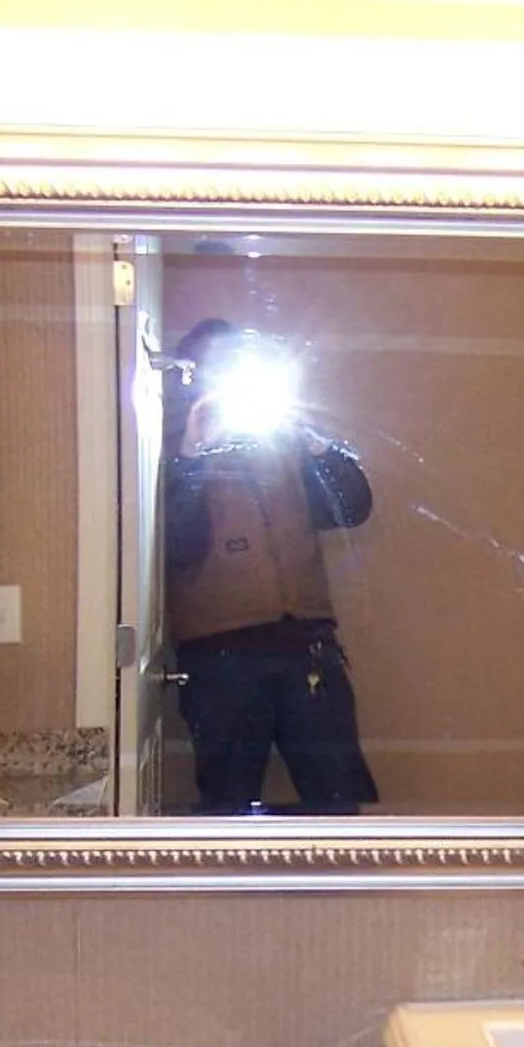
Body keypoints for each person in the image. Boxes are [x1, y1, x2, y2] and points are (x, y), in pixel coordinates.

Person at [161, 318, 380, 811]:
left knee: (336, 797)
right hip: (219, 657)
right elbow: (177, 543)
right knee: (227, 797)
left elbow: (353, 506)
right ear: (192, 376)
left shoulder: (285, 442)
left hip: (308, 648)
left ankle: (344, 890)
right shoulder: (163, 443)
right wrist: (191, 453)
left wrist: (311, 438)